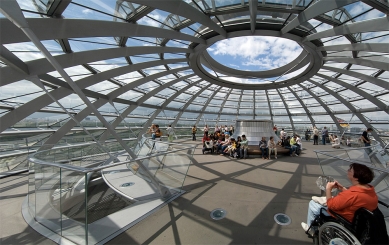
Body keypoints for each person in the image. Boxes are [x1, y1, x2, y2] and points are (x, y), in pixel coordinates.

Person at [301, 163, 377, 231]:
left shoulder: (352, 194)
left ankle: (310, 229)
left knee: (313, 203)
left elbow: (331, 205)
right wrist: (342, 188)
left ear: (356, 178)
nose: (348, 171)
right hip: (359, 221)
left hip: (344, 218)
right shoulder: (370, 191)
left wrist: (328, 189)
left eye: (350, 170)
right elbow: (354, 198)